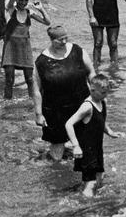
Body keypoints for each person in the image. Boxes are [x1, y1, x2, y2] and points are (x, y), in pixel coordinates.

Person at [34, 24, 94, 161]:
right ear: (52, 40)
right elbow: (36, 90)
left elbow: (91, 73)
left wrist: (97, 96)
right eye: (60, 40)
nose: (64, 42)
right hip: (55, 111)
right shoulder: (41, 61)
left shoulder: (78, 51)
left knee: (85, 146)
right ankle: (55, 172)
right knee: (57, 155)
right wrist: (38, 114)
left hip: (80, 104)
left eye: (66, 38)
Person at [64, 73, 121, 197]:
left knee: (100, 177)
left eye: (106, 92)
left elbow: (100, 121)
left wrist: (110, 132)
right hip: (86, 151)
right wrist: (75, 146)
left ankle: (80, 194)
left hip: (97, 149)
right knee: (91, 182)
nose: (105, 95)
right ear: (92, 89)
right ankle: (85, 208)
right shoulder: (87, 106)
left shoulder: (102, 102)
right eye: (102, 93)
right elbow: (69, 124)